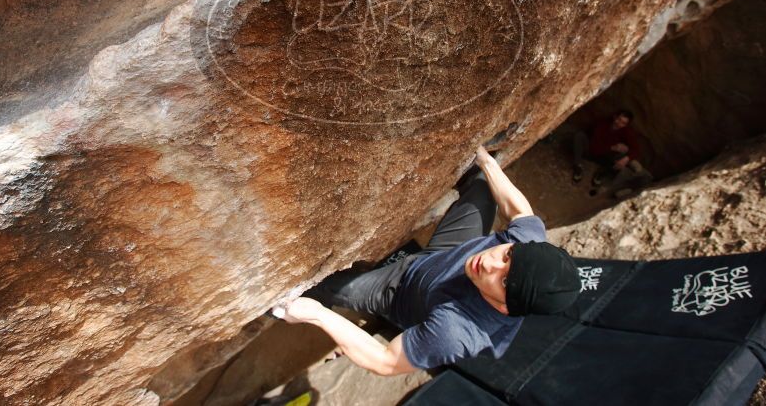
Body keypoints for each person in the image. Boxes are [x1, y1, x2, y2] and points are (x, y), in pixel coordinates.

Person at [274, 145, 581, 375]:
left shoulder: (458, 331)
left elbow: (386, 362)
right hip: (449, 253)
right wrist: (486, 160)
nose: (490, 263)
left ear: (504, 307)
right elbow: (521, 213)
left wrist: (316, 315)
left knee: (318, 290)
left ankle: (277, 309)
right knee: (482, 187)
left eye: (503, 279)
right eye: (507, 255)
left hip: (401, 293)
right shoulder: (527, 245)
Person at [571, 109, 653, 197]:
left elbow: (636, 149)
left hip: (604, 157)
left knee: (623, 155)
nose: (619, 123)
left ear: (626, 125)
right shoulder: (602, 124)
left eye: (623, 123)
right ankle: (578, 167)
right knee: (579, 136)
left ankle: (601, 174)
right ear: (615, 117)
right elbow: (594, 147)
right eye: (619, 119)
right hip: (589, 152)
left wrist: (626, 159)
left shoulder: (626, 131)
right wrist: (613, 147)